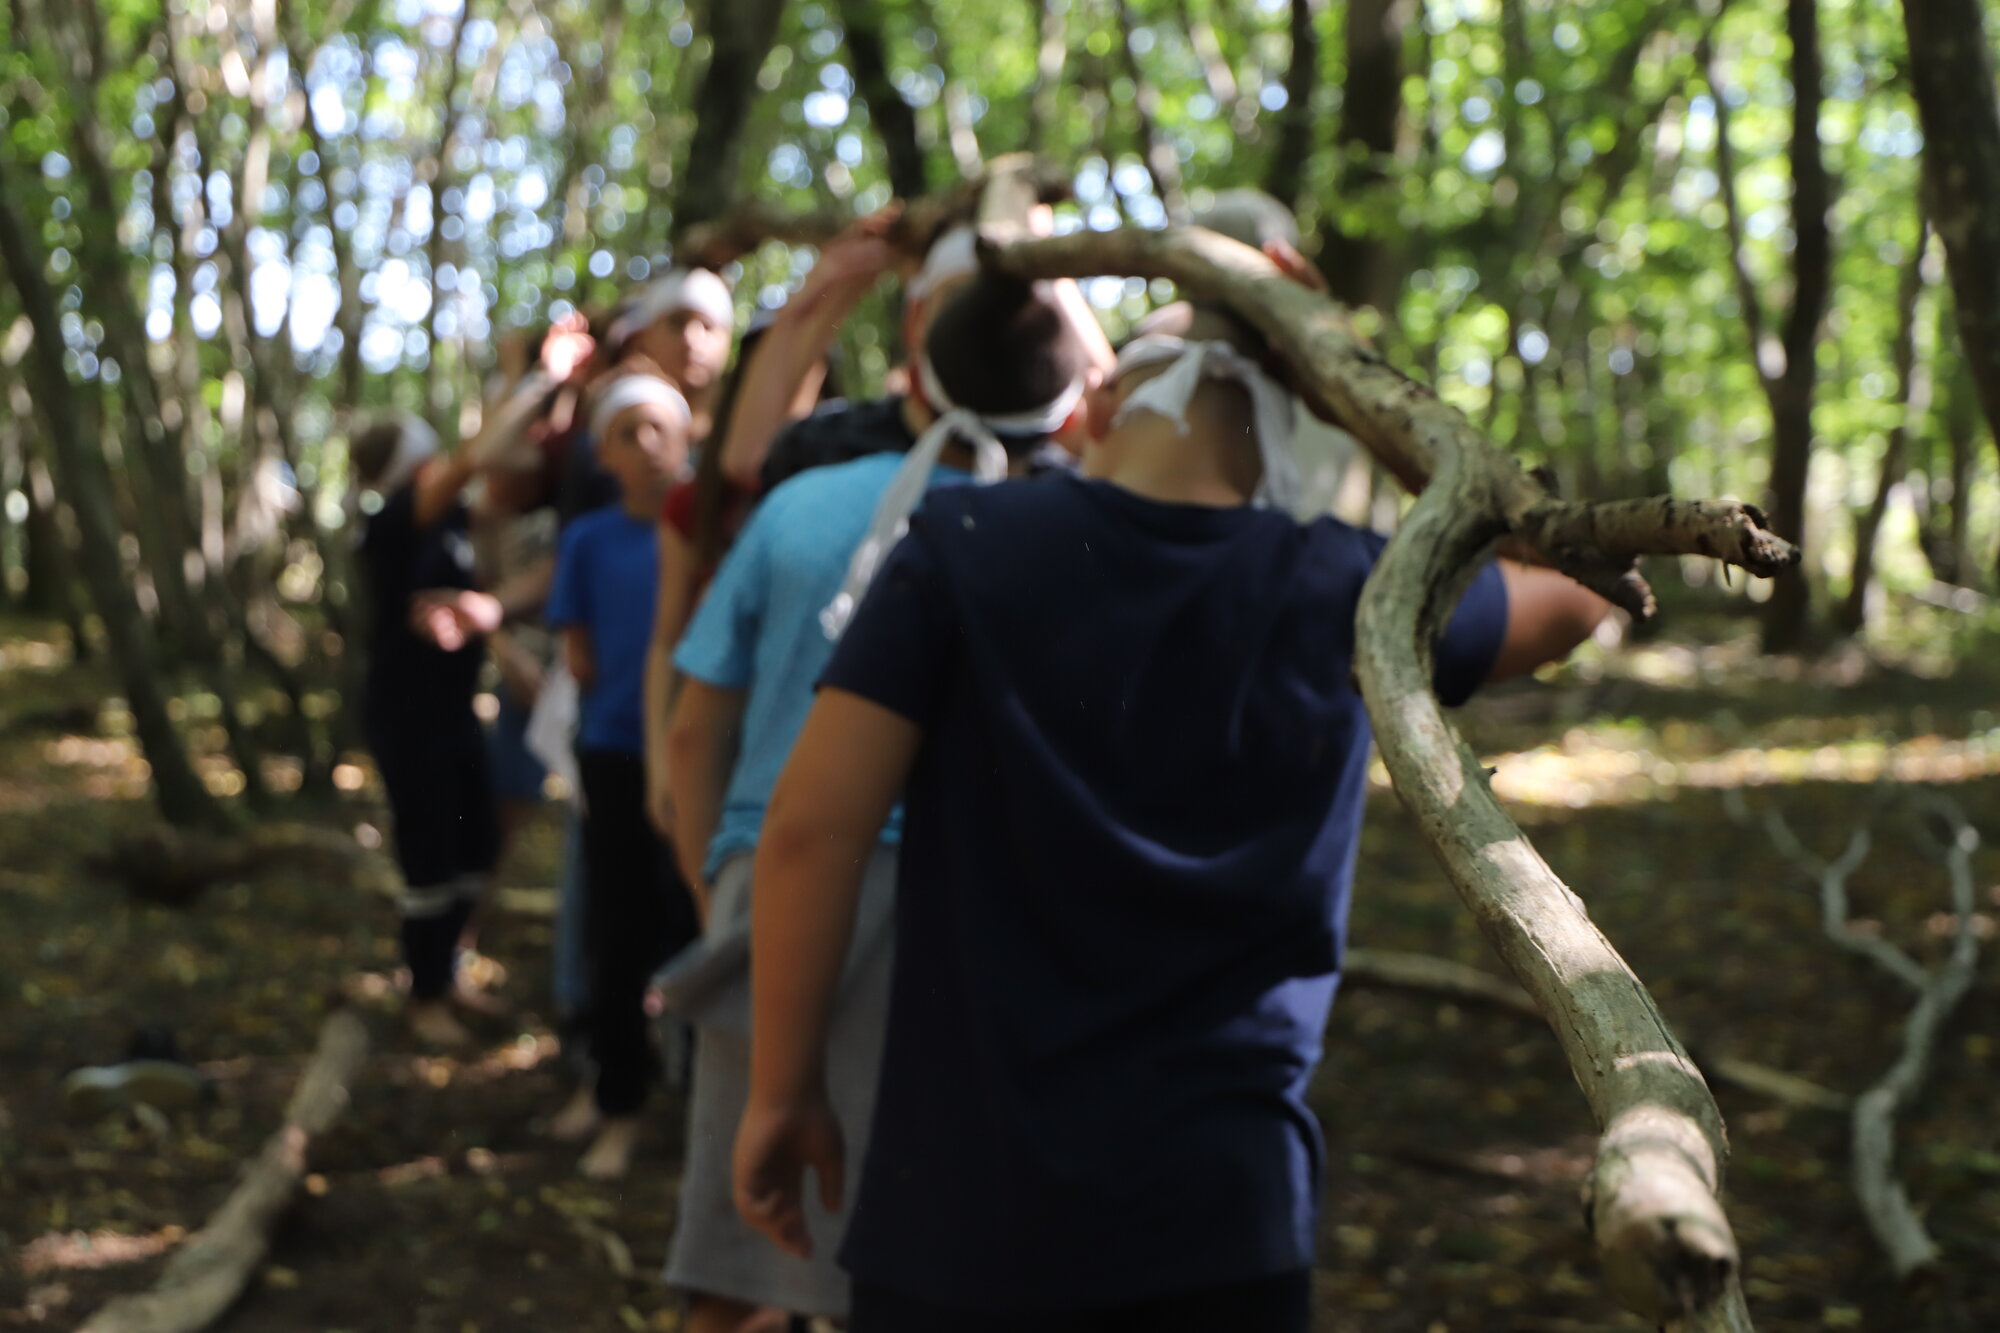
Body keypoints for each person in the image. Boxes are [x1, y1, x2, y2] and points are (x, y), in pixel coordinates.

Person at [729, 312, 1612, 1330]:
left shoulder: (964, 547)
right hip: (1219, 1214)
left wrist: (781, 1089)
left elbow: (808, 830)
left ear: (1097, 403)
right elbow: (1577, 590)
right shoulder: (1352, 586)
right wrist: (1382, 418)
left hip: (961, 1212)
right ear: (1303, 419)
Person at [658, 271, 1091, 1333]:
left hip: (769, 888)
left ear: (913, 369)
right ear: (1071, 399)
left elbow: (690, 723)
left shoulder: (801, 507)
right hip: (982, 905)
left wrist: (717, 877)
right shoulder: (1073, 530)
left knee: (734, 1237)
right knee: (919, 1245)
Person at [543, 373, 705, 1178]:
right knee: (617, 931)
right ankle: (615, 1101)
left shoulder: (715, 536)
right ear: (603, 451)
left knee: (702, 924)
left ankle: (704, 1099)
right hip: (613, 754)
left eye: (658, 429)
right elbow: (579, 654)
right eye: (627, 432)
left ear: (686, 439)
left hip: (701, 757)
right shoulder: (589, 541)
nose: (646, 447)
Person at [349, 413, 504, 1049]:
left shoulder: (450, 526)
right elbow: (473, 460)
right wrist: (538, 379)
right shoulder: (390, 524)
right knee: (429, 854)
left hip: (457, 712)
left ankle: (448, 970)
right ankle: (425, 995)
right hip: (408, 719)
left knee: (479, 842)